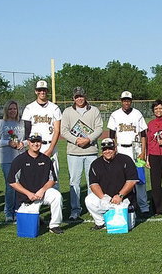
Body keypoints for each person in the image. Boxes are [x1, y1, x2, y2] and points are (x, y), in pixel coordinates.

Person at [61, 86, 104, 221]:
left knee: (92, 181)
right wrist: (76, 140)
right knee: (74, 182)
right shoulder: (67, 111)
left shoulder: (94, 110)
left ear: (85, 97)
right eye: (77, 96)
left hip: (91, 151)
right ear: (73, 98)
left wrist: (88, 139)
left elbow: (99, 128)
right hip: (74, 152)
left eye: (81, 96)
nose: (79, 99)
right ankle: (75, 209)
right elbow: (64, 130)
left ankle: (92, 208)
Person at [9, 134, 63, 234]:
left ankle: (54, 225)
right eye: (33, 142)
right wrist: (28, 193)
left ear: (41, 143)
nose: (36, 144)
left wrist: (42, 190)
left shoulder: (46, 159)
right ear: (28, 143)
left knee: (57, 196)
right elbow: (12, 182)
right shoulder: (19, 160)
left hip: (42, 193)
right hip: (27, 198)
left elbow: (52, 180)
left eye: (38, 142)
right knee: (27, 223)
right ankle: (37, 218)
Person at [107, 91, 149, 215]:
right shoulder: (115, 114)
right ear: (121, 101)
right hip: (121, 149)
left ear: (131, 101)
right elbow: (112, 135)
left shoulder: (137, 114)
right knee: (122, 179)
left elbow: (143, 134)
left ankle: (144, 206)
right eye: (124, 100)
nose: (126, 102)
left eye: (128, 100)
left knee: (140, 179)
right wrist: (113, 150)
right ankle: (127, 204)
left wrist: (143, 151)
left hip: (136, 149)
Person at [85, 138, 140, 230]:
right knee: (89, 200)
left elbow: (132, 181)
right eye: (105, 149)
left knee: (127, 226)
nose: (107, 151)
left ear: (115, 148)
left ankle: (118, 216)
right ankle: (101, 222)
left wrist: (120, 195)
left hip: (124, 199)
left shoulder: (126, 160)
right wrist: (104, 197)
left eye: (110, 149)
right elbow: (93, 184)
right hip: (107, 199)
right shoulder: (95, 164)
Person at [22, 80, 62, 190]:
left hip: (50, 145)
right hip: (34, 146)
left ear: (47, 91)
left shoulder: (54, 108)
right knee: (34, 177)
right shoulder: (29, 108)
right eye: (40, 90)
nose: (42, 92)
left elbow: (57, 130)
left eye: (44, 90)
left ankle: (55, 206)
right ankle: (34, 205)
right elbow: (27, 131)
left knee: (54, 179)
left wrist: (50, 149)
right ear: (36, 91)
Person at [0, 100, 25, 222]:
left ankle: (18, 210)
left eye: (14, 109)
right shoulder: (1, 123)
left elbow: (28, 139)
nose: (13, 111)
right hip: (6, 159)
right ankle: (8, 212)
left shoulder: (22, 123)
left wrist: (23, 143)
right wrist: (8, 143)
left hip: (21, 157)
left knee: (20, 186)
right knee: (10, 185)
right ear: (6, 110)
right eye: (10, 109)